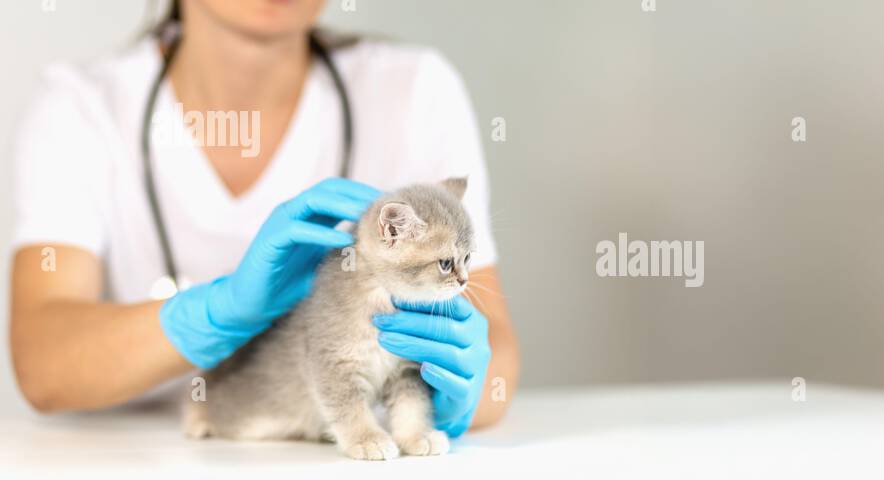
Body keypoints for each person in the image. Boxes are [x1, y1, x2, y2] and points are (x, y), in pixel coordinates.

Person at [8, 0, 519, 438]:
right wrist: (216, 313)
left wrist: (438, 397)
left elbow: (495, 357)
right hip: (130, 467)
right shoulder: (81, 106)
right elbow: (44, 364)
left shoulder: (414, 88)